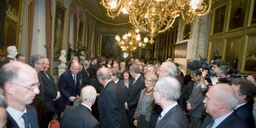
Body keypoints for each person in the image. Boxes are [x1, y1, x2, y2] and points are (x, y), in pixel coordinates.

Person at [0, 61, 40, 128]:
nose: (37, 91)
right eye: (31, 86)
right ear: (10, 88)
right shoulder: (2, 120)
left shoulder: (32, 111)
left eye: (37, 85)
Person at [38, 57, 61, 128]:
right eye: (45, 64)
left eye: (48, 64)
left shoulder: (47, 73)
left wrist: (58, 92)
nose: (47, 66)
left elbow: (54, 84)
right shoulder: (39, 75)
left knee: (49, 123)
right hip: (45, 105)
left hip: (52, 104)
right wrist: (55, 95)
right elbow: (44, 89)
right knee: (44, 124)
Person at [29, 54, 45, 122]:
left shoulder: (39, 74)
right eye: (42, 63)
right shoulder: (29, 75)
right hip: (32, 106)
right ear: (36, 64)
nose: (44, 65)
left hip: (39, 106)